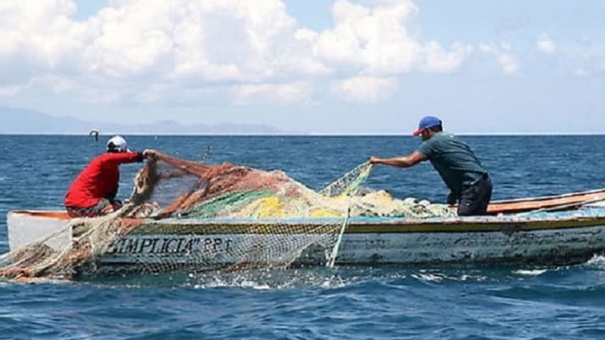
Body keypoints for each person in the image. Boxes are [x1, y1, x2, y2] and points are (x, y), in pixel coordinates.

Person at [369, 116, 492, 216]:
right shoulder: (453, 139)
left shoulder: (433, 143)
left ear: (427, 131)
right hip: (483, 182)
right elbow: (462, 165)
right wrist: (454, 192)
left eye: (422, 134)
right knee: (474, 217)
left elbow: (408, 161)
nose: (421, 138)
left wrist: (379, 160)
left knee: (465, 222)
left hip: (472, 186)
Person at [64, 135, 156, 218]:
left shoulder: (110, 168)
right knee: (117, 208)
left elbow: (110, 195)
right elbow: (121, 157)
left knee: (118, 204)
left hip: (76, 206)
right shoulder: (103, 160)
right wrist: (142, 156)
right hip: (80, 206)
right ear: (121, 152)